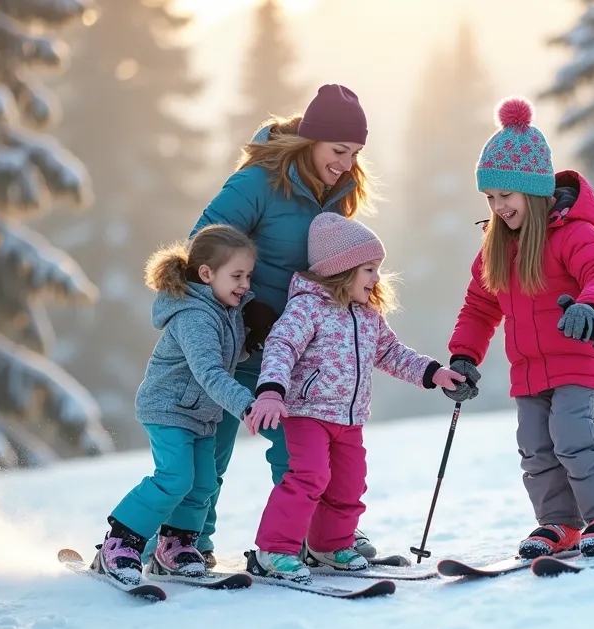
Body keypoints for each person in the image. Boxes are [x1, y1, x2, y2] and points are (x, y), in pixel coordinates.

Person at [183, 84, 380, 566]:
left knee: (301, 454)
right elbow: (201, 246)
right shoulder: (257, 183)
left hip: (294, 348)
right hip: (235, 339)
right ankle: (185, 541)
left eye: (355, 153)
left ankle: (315, 537)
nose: (346, 163)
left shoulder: (339, 192)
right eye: (338, 150)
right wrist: (246, 305)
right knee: (210, 451)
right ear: (310, 140)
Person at [443, 97, 594, 559]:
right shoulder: (497, 248)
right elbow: (479, 307)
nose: (498, 207)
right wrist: (464, 355)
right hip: (530, 369)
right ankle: (560, 523)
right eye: (490, 198)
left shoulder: (573, 233)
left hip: (579, 356)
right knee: (535, 446)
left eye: (505, 196)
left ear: (531, 190)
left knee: (572, 435)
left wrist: (591, 307)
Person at [243, 213, 467, 581]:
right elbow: (281, 346)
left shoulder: (368, 315)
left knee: (350, 482)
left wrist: (434, 373)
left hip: (349, 419)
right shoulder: (307, 307)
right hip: (308, 413)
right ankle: (275, 550)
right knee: (310, 476)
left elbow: (391, 353)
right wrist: (270, 391)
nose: (377, 278)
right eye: (369, 269)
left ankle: (330, 545)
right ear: (341, 270)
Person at [92, 225, 259, 586]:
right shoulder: (194, 315)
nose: (245, 284)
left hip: (199, 414)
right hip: (169, 409)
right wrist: (246, 405)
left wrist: (250, 343)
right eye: (237, 276)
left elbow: (224, 354)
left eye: (248, 275)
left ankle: (176, 545)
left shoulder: (225, 310)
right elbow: (209, 371)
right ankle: (120, 541)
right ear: (206, 273)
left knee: (203, 483)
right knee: (175, 478)